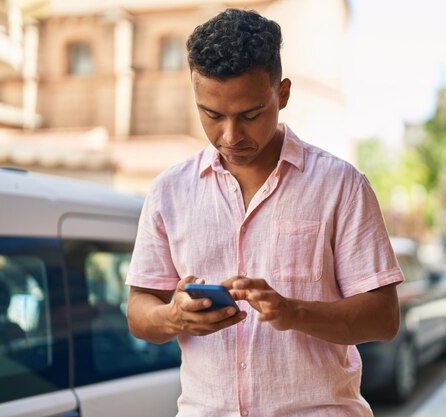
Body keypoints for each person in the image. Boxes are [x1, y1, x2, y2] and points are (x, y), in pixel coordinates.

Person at [126, 8, 404, 417]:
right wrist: (173, 316)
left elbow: (383, 318)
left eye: (250, 115)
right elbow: (138, 312)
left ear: (283, 93)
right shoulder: (169, 191)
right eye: (212, 114)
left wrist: (293, 312)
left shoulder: (341, 185)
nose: (230, 135)